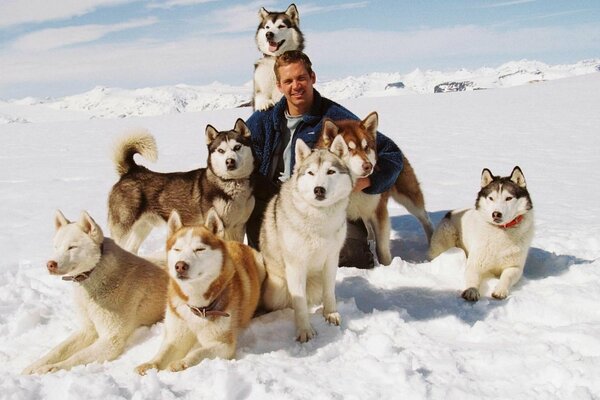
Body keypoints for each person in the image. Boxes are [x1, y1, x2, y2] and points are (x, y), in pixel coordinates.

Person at [245, 50, 403, 269]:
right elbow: (238, 151)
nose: (296, 86)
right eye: (288, 81)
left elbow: (392, 155)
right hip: (275, 202)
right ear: (279, 86)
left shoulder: (335, 117)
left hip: (326, 204)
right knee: (266, 260)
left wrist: (369, 182)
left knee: (351, 257)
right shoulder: (264, 119)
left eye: (301, 78)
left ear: (313, 78)